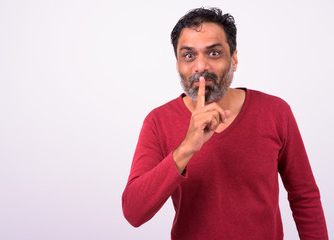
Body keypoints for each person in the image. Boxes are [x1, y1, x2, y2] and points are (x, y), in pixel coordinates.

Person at [122, 7, 328, 240]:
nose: (200, 67)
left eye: (213, 53)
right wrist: (187, 147)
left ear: (234, 58)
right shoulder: (157, 122)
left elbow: (304, 195)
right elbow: (133, 212)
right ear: (177, 64)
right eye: (188, 55)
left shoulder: (276, 111)